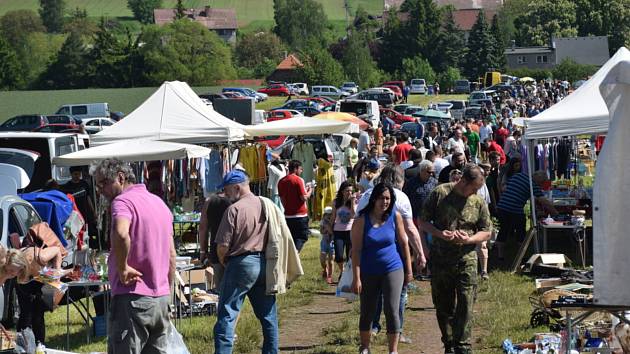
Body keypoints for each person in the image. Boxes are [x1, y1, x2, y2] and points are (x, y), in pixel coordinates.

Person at [92, 158, 176, 354]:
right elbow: (171, 254)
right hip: (160, 298)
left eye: (104, 182)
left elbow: (121, 233)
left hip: (132, 298)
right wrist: (167, 290)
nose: (100, 190)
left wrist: (122, 268)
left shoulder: (122, 201)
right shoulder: (159, 203)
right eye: (98, 185)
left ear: (120, 177)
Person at [418, 164, 492, 354]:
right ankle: (449, 343)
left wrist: (470, 239)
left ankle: (463, 345)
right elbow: (422, 221)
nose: (474, 192)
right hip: (441, 259)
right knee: (444, 305)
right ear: (463, 181)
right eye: (473, 187)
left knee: (467, 303)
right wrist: (439, 234)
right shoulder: (440, 193)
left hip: (466, 259)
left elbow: (487, 231)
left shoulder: (478, 201)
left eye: (477, 189)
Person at [213, 170, 278, 354]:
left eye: (226, 190)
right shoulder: (265, 204)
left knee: (227, 315)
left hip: (241, 262)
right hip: (264, 262)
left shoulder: (234, 209)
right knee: (268, 316)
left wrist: (225, 262)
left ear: (237, 187)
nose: (225, 194)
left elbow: (222, 246)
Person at [351, 183, 413, 354]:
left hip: (393, 268)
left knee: (392, 309)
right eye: (381, 198)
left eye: (388, 198)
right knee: (367, 310)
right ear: (373, 199)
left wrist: (409, 269)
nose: (384, 202)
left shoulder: (395, 216)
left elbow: (404, 243)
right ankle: (365, 347)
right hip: (368, 270)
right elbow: (355, 250)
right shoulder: (361, 220)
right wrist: (356, 277)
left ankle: (393, 350)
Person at [5, 244, 64, 345]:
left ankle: (39, 345)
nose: (9, 274)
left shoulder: (40, 257)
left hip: (41, 275)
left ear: (21, 267)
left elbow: (57, 250)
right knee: (25, 313)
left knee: (38, 312)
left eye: (11, 271)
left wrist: (57, 274)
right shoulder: (13, 270)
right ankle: (22, 346)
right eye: (8, 270)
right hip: (29, 277)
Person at [495, 170, 557, 261]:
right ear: (540, 181)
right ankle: (521, 256)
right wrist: (555, 213)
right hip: (515, 209)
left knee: (503, 230)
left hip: (502, 206)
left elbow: (504, 188)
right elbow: (544, 201)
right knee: (521, 232)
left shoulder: (518, 175)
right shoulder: (534, 186)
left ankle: (500, 256)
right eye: (542, 182)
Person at [199, 194, 232, 291]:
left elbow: (203, 228)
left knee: (220, 289)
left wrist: (203, 252)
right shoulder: (237, 199)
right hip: (235, 250)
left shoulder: (210, 201)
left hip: (216, 249)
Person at [278, 160, 313, 252]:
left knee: (292, 238)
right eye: (300, 169)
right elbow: (304, 197)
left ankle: (292, 257)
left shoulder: (281, 181)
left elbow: (282, 199)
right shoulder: (298, 180)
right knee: (302, 237)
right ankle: (295, 255)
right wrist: (310, 191)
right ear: (296, 168)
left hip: (288, 215)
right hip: (300, 215)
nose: (301, 171)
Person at [61, 166, 99, 249]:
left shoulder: (84, 184)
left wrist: (93, 211)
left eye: (79, 174)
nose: (77, 176)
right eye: (75, 174)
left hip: (85, 211)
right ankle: (78, 247)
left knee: (88, 231)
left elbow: (88, 197)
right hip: (74, 213)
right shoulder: (68, 186)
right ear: (71, 174)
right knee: (76, 230)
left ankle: (90, 247)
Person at [329, 181, 356, 281]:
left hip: (350, 231)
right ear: (342, 191)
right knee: (339, 256)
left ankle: (348, 277)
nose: (349, 193)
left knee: (350, 256)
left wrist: (353, 202)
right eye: (347, 191)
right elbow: (333, 217)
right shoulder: (336, 202)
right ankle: (342, 271)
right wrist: (329, 229)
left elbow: (353, 215)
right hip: (338, 231)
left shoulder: (354, 201)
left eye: (351, 191)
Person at [319, 207, 335, 284]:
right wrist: (326, 229)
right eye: (327, 214)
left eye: (330, 214)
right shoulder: (323, 222)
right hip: (324, 242)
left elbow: (333, 232)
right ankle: (325, 269)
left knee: (331, 261)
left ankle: (330, 276)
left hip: (332, 242)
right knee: (322, 259)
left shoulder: (335, 222)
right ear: (324, 215)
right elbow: (321, 231)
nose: (328, 216)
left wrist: (329, 227)